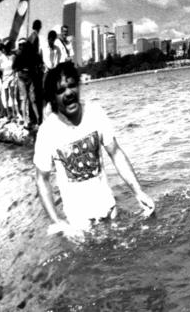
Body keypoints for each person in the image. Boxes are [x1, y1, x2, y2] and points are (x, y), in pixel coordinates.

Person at [34, 62, 155, 243]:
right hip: (79, 225)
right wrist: (58, 221)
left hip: (110, 210)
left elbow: (115, 153)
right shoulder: (47, 131)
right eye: (60, 90)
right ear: (53, 97)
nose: (68, 93)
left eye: (72, 85)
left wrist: (139, 192)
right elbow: (41, 179)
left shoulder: (95, 113)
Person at [13, 38, 41, 128]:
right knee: (26, 99)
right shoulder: (22, 54)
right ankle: (28, 120)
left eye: (23, 45)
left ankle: (37, 119)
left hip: (27, 77)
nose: (22, 46)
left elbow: (14, 67)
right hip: (24, 78)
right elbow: (14, 67)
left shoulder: (24, 54)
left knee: (30, 99)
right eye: (21, 45)